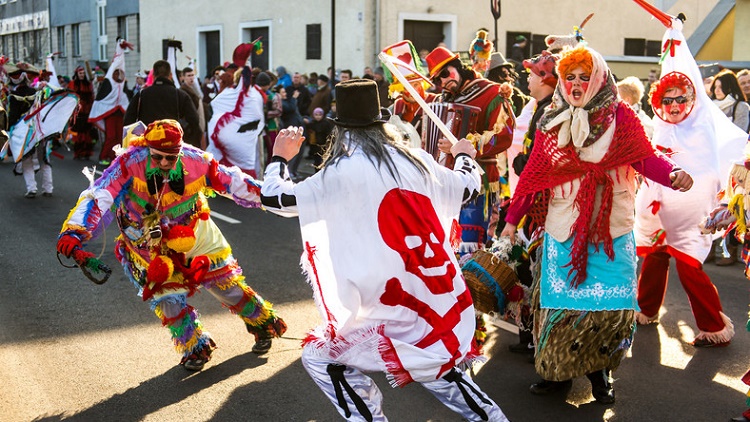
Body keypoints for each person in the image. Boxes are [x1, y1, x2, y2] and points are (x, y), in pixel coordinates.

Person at [260, 79, 508, 421]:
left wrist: (279, 158)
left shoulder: (339, 173)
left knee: (321, 356)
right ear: (382, 123)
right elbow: (467, 188)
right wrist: (464, 157)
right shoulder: (416, 159)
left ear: (343, 131)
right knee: (440, 371)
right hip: (432, 301)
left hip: (383, 306)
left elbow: (274, 198)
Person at [500, 44, 693, 403]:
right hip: (563, 230)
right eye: (569, 76)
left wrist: (674, 174)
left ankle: (601, 375)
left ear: (599, 79)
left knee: (605, 313)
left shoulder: (621, 118)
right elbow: (533, 178)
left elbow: (645, 160)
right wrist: (511, 222)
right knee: (560, 309)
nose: (575, 84)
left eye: (583, 77)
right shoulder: (551, 120)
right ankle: (556, 373)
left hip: (611, 231)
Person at [57, 119, 287, 371]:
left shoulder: (196, 160)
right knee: (168, 299)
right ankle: (195, 347)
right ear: (146, 150)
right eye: (158, 158)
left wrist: (278, 199)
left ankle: (262, 322)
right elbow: (99, 194)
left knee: (226, 287)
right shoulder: (128, 163)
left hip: (194, 232)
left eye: (171, 157)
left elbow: (233, 182)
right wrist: (73, 232)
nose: (165, 163)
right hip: (147, 242)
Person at [426, 46, 514, 253]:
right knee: (447, 243)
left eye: (445, 74)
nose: (443, 82)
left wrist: (464, 147)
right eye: (438, 80)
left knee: (471, 244)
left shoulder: (493, 92)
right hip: (447, 182)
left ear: (457, 66)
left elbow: (504, 135)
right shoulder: (442, 100)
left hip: (481, 182)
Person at [206, 42, 267, 177]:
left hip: (241, 136)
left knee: (236, 171)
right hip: (241, 139)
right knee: (245, 171)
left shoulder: (244, 94)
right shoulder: (243, 94)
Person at [123, 60, 201, 148]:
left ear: (153, 76)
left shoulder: (142, 95)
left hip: (147, 146)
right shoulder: (180, 95)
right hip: (173, 147)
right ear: (170, 75)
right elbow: (194, 120)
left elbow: (128, 120)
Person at [89, 38, 133, 167]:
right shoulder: (107, 84)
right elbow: (101, 99)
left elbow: (125, 97)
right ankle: (104, 156)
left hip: (120, 113)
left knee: (120, 136)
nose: (118, 75)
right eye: (116, 73)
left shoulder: (122, 85)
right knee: (111, 136)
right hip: (110, 114)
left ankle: (116, 156)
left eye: (120, 73)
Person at [486, 51, 529, 117]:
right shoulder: (493, 95)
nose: (510, 78)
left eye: (509, 74)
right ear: (496, 76)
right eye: (504, 74)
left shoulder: (515, 93)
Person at [67, 66, 96, 160]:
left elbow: (91, 97)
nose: (82, 75)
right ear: (77, 74)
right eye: (80, 73)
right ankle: (79, 152)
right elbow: (70, 97)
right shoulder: (73, 84)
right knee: (79, 133)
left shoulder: (88, 84)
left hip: (87, 112)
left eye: (83, 73)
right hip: (78, 112)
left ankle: (86, 152)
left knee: (87, 133)